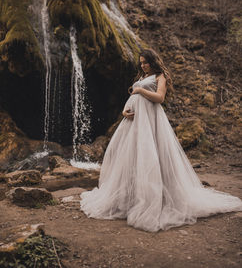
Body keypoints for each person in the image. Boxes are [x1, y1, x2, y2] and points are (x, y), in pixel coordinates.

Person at [80, 49, 242, 232]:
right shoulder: (141, 77)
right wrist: (125, 112)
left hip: (151, 121)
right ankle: (130, 200)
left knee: (153, 157)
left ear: (153, 61)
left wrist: (140, 89)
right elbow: (131, 99)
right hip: (134, 124)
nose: (143, 65)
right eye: (141, 62)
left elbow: (159, 98)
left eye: (146, 62)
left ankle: (157, 199)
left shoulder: (160, 76)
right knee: (132, 159)